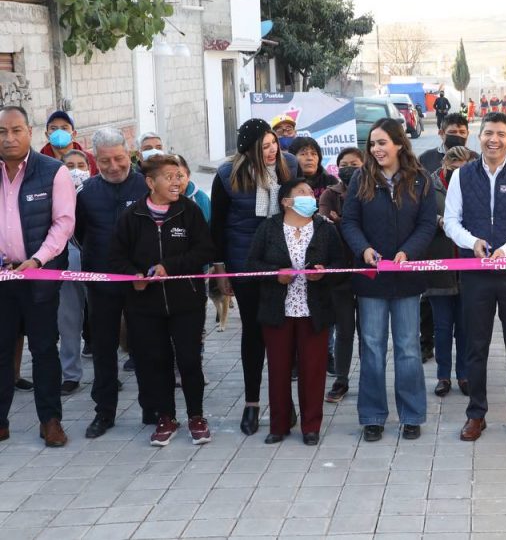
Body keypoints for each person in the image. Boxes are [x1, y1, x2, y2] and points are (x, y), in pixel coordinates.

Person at [444, 111, 506, 442]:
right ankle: (476, 414)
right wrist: (472, 242)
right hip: (476, 272)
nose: (493, 139)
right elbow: (451, 220)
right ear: (479, 136)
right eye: (488, 132)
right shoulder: (462, 176)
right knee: (475, 344)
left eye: (500, 133)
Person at [108, 154, 215, 446]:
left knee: (190, 360)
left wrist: (172, 266)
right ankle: (165, 417)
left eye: (179, 176)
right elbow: (115, 257)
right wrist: (134, 275)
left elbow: (204, 250)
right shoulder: (132, 217)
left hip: (187, 301)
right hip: (144, 305)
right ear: (150, 182)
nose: (176, 182)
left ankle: (197, 416)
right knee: (157, 361)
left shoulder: (189, 212)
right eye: (169, 176)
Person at [341, 118, 436, 442]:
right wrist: (363, 249)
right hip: (371, 280)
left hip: (407, 280)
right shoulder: (360, 179)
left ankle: (411, 415)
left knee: (408, 348)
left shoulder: (420, 180)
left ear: (398, 144)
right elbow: (350, 222)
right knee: (371, 348)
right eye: (372, 143)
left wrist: (408, 252)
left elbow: (426, 225)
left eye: (382, 142)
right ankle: (372, 416)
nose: (376, 149)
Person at [211, 118, 297, 436]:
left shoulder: (289, 164)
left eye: (273, 142)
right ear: (249, 151)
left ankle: (284, 402)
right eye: (263, 147)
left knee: (283, 333)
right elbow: (217, 226)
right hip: (244, 262)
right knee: (254, 334)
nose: (272, 151)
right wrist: (222, 271)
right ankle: (251, 403)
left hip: (284, 262)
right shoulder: (226, 175)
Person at [248, 179, 345, 445]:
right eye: (301, 193)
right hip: (277, 310)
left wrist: (323, 273)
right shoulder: (269, 228)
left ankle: (311, 425)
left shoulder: (325, 229)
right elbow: (252, 264)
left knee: (313, 370)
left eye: (310, 193)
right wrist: (274, 275)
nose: (309, 197)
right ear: (286, 201)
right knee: (278, 369)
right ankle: (279, 425)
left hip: (314, 310)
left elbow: (340, 263)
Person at [0, 105, 75, 446]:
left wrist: (38, 260)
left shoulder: (52, 171)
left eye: (16, 130)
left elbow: (63, 223)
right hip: (2, 279)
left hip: (39, 276)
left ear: (29, 131)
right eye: (2, 132)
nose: (9, 137)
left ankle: (50, 421)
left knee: (44, 349)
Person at [76, 128, 150, 438]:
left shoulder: (146, 184)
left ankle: (153, 407)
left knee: (147, 346)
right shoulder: (87, 192)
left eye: (119, 158)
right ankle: (104, 412)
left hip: (141, 284)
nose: (114, 166)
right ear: (96, 160)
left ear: (129, 152)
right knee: (103, 348)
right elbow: (78, 234)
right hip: (102, 283)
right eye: (105, 161)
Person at [426, 145, 476, 397]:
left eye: (463, 170)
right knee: (442, 327)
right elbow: (420, 216)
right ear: (445, 166)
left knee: (465, 327)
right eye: (453, 169)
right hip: (439, 266)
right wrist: (438, 221)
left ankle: (464, 374)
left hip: (468, 269)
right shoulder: (428, 186)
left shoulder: (476, 185)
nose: (458, 174)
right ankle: (443, 376)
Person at [319, 148, 364, 403]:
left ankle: (369, 379)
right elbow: (325, 222)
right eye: (344, 164)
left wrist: (342, 221)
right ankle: (342, 379)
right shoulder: (330, 193)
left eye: (355, 164)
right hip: (340, 276)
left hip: (368, 273)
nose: (349, 168)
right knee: (345, 330)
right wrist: (341, 222)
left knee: (368, 333)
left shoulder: (371, 191)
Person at [56, 150, 92, 396]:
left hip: (94, 264)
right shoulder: (53, 193)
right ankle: (70, 374)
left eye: (81, 164)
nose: (76, 170)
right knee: (67, 320)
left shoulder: (94, 193)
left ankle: (106, 372)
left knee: (100, 321)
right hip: (64, 263)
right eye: (70, 165)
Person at [41, 110, 98, 175]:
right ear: (47, 135)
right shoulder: (39, 163)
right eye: (53, 128)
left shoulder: (90, 159)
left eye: (64, 128)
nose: (59, 132)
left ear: (73, 134)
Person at [178, 156, 211, 223]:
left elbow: (207, 228)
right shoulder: (158, 199)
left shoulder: (201, 199)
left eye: (180, 176)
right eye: (169, 177)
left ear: (188, 176)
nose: (175, 181)